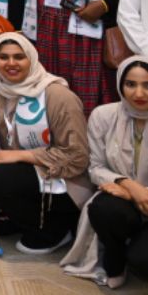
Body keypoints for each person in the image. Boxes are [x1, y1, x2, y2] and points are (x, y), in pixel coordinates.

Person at [0, 33, 91, 254]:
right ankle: (29, 215)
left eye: (19, 57)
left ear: (32, 58)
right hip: (16, 176)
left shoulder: (57, 95)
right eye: (3, 57)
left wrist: (21, 156)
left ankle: (56, 229)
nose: (11, 63)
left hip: (64, 181)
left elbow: (78, 157)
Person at [62, 56, 148, 287]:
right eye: (131, 84)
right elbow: (95, 167)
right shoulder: (104, 115)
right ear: (120, 84)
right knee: (103, 208)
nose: (139, 93)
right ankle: (115, 259)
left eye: (147, 85)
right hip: (121, 196)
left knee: (142, 260)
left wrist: (140, 193)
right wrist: (130, 187)